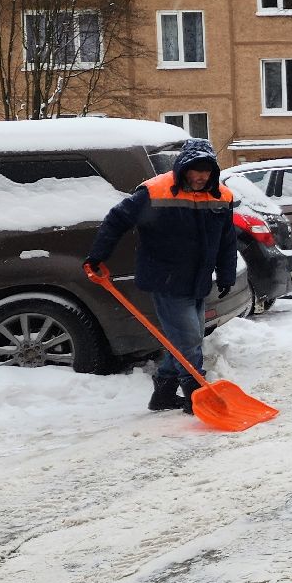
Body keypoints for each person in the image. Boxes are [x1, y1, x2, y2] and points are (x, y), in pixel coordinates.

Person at [84, 138, 238, 413]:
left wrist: (226, 274)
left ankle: (164, 393)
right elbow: (117, 219)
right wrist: (97, 256)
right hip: (166, 278)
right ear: (184, 168)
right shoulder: (155, 191)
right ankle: (195, 395)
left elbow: (227, 240)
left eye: (207, 171)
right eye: (196, 170)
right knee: (189, 340)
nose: (201, 176)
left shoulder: (221, 197)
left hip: (198, 280)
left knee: (184, 339)